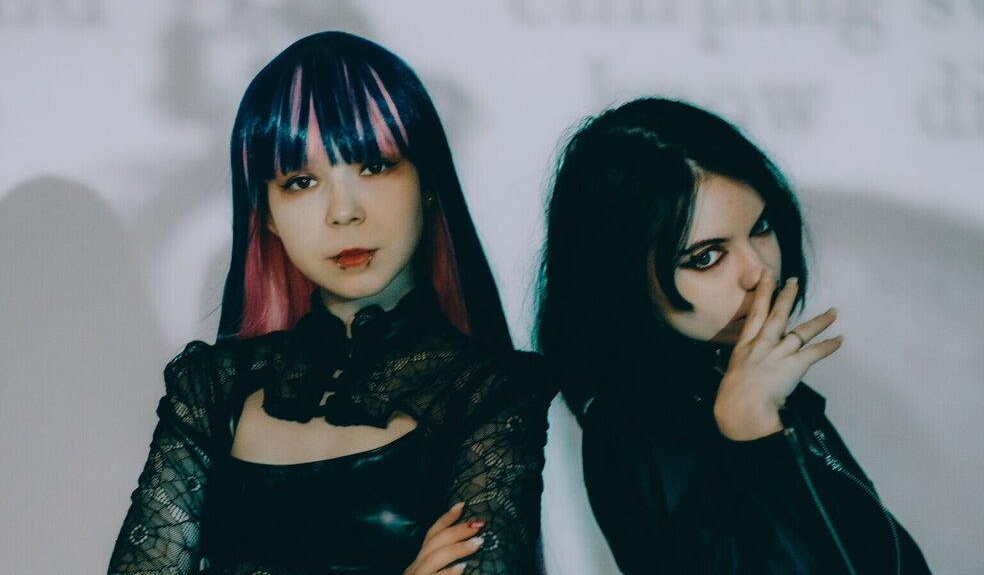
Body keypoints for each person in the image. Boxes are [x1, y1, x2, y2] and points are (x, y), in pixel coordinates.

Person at [108, 31, 553, 575]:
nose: (343, 212)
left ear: (427, 180)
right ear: (267, 213)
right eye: (301, 181)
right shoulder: (210, 389)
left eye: (375, 166)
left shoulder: (493, 392)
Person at [537, 97, 931, 574]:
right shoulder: (632, 429)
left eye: (760, 228)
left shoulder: (741, 376)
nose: (759, 270)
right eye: (705, 257)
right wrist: (752, 434)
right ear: (620, 278)